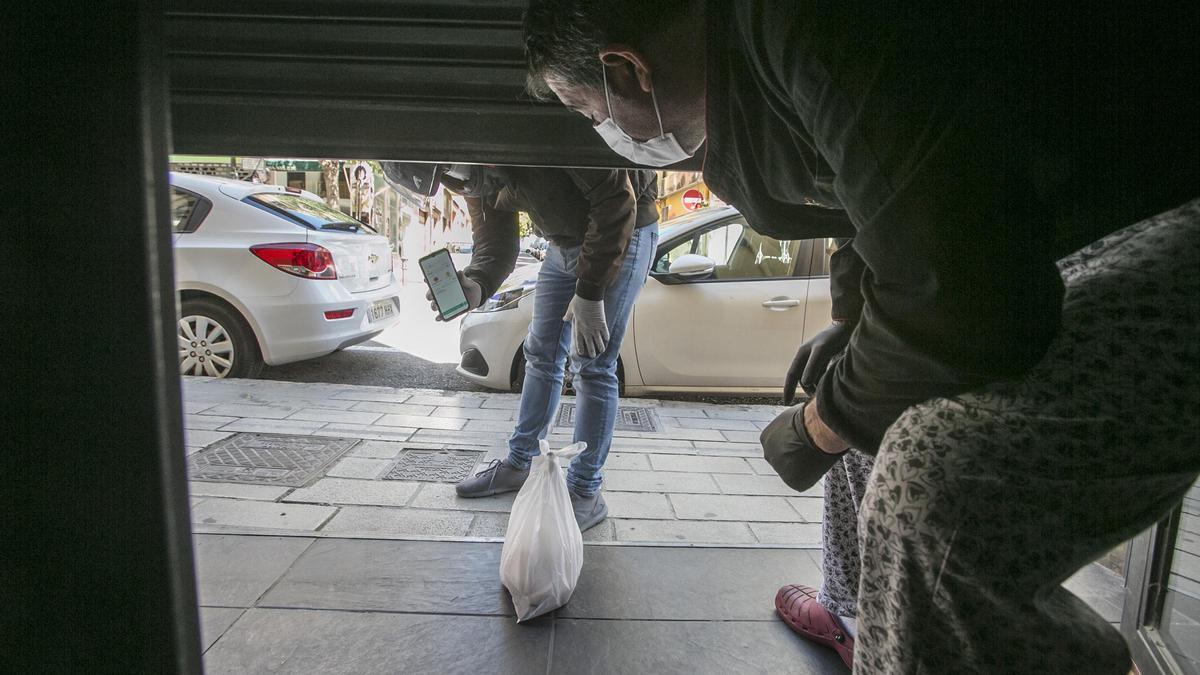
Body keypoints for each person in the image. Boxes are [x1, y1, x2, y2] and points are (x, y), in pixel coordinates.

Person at [521, 1, 1199, 672]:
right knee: (859, 381)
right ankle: (854, 613)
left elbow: (968, 309)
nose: (600, 131)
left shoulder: (813, 28)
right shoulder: (756, 73)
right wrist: (849, 322)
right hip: (1049, 239)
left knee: (934, 485)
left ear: (627, 69)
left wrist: (819, 426)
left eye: (590, 112)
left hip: (1162, 215)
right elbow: (872, 196)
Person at [392, 163, 659, 531]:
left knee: (592, 362)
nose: (461, 183)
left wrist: (591, 291)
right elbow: (495, 238)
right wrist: (477, 283)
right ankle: (520, 463)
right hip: (564, 240)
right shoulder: (465, 169)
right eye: (452, 179)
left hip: (622, 231)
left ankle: (585, 492)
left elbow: (617, 200)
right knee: (540, 353)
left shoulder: (529, 134)